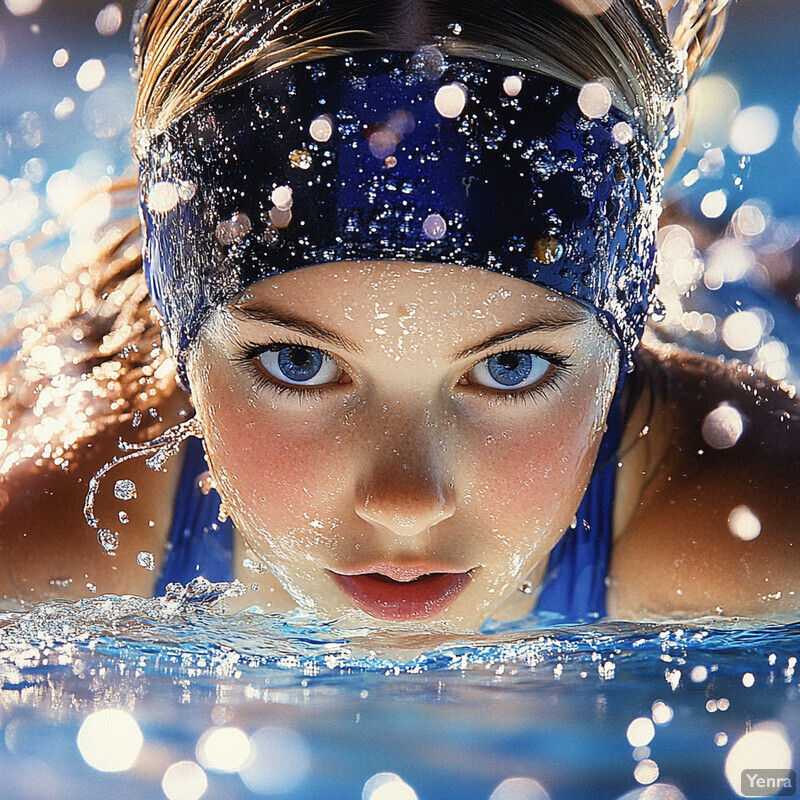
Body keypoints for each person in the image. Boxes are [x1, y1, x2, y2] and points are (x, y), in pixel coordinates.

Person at [0, 0, 797, 630]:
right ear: (183, 336)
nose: (406, 502)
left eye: (508, 367)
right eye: (299, 363)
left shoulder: (748, 525)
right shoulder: (52, 534)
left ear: (619, 345)